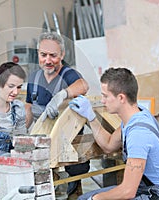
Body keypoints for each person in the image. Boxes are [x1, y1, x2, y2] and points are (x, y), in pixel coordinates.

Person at [69, 67, 159, 200]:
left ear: (121, 98)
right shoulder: (135, 117)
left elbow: (127, 191)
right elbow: (109, 145)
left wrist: (95, 199)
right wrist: (91, 118)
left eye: (105, 96)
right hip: (147, 188)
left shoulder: (139, 134)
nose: (102, 101)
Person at [25, 31, 90, 197]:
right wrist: (22, 132)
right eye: (43, 55)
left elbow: (83, 85)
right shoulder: (34, 77)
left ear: (62, 54)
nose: (48, 60)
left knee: (67, 185)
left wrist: (62, 95)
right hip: (42, 136)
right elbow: (28, 107)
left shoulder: (68, 74)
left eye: (53, 55)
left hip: (67, 142)